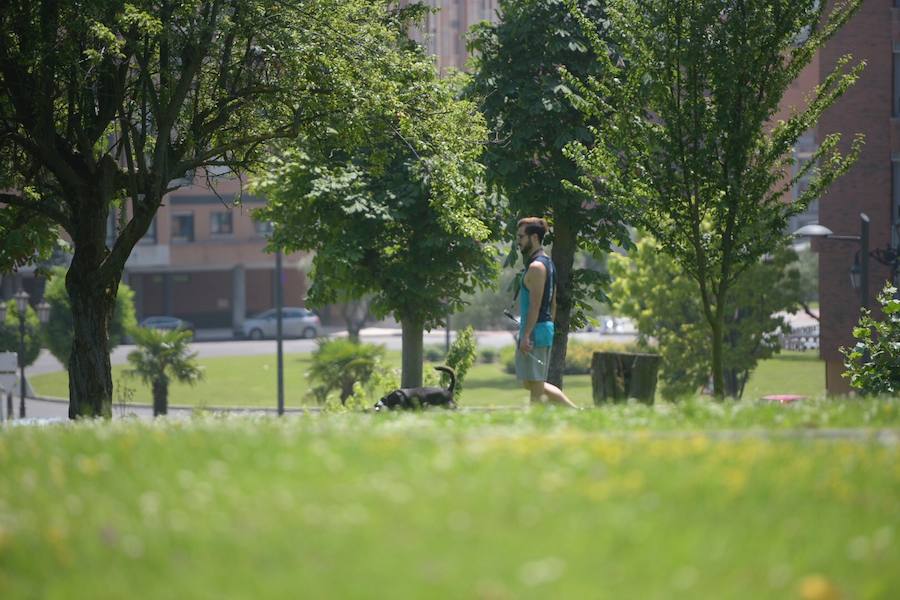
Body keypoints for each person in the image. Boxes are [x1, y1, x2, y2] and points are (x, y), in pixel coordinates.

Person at [514, 217, 579, 409]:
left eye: (521, 237)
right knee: (531, 382)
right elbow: (553, 303)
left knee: (535, 385)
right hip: (541, 328)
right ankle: (574, 411)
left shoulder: (536, 267)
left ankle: (535, 427)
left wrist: (527, 335)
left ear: (534, 237)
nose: (518, 241)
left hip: (535, 331)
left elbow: (536, 306)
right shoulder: (547, 263)